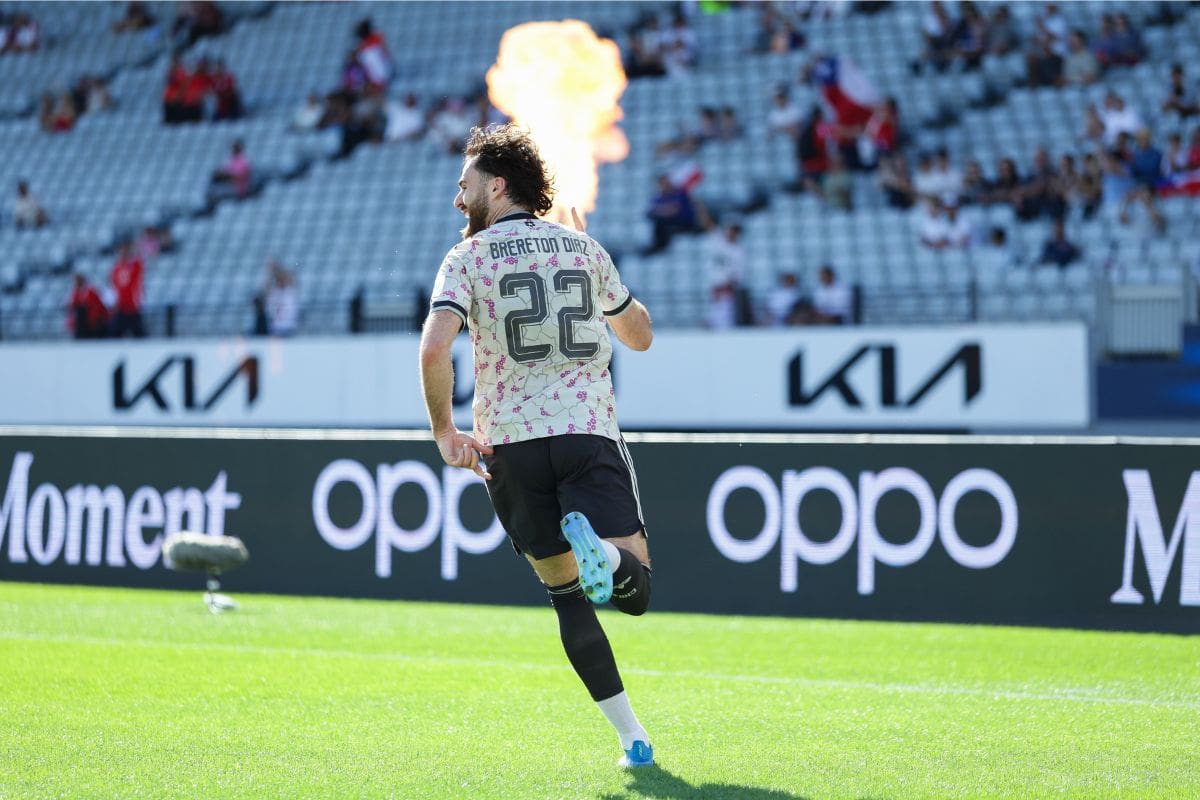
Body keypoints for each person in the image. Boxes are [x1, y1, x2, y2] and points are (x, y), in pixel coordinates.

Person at [419, 124, 656, 768]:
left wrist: (444, 433)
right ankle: (606, 553)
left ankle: (632, 739)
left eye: (464, 185)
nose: (457, 198)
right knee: (636, 590)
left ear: (497, 187)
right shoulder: (581, 247)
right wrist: (599, 268)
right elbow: (640, 337)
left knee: (566, 596)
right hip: (585, 430)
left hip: (509, 448)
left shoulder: (465, 258)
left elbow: (435, 348)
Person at [109, 242, 146, 338]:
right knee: (115, 333)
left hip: (132, 306)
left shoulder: (134, 265)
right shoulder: (116, 268)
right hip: (121, 306)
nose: (123, 253)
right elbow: (114, 286)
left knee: (138, 333)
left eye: (126, 251)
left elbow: (140, 266)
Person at [261, 260, 300, 336]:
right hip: (275, 328)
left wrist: (275, 268)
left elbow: (291, 279)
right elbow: (264, 288)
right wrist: (270, 272)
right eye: (278, 279)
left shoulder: (289, 291)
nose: (281, 281)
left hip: (289, 327)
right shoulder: (273, 292)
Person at [68, 273, 109, 339]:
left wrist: (94, 319)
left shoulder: (90, 291)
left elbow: (97, 307)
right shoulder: (76, 292)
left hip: (93, 321)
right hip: (85, 321)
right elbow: (74, 306)